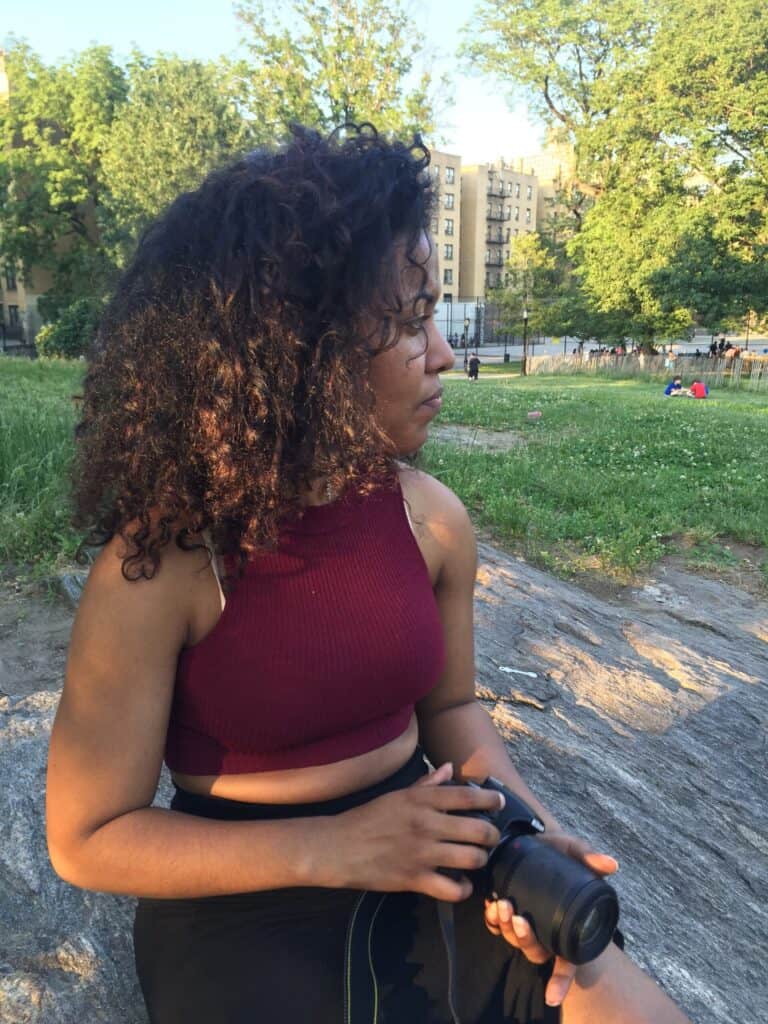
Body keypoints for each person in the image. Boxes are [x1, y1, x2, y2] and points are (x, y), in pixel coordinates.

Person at [45, 124, 690, 1024]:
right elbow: (87, 838)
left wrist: (526, 837)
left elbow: (452, 710)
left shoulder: (432, 521)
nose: (445, 357)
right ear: (297, 356)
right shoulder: (166, 564)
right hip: (242, 904)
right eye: (407, 324)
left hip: (431, 849)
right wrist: (337, 846)